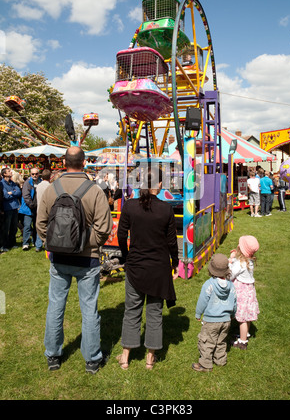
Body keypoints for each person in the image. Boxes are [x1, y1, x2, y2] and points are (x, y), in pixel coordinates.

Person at [36, 146, 113, 374]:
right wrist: (82, 243)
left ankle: (53, 355)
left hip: (59, 258)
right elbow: (103, 228)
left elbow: (41, 224)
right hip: (87, 260)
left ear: (64, 162)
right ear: (84, 162)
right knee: (89, 309)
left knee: (55, 306)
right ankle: (91, 359)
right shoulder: (95, 191)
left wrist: (55, 243)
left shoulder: (52, 189)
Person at [116, 168, 179, 370]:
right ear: (159, 185)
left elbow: (121, 234)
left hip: (136, 266)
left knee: (132, 311)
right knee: (154, 312)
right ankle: (150, 359)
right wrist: (175, 263)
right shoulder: (166, 209)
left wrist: (126, 257)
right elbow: (172, 242)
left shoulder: (130, 206)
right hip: (158, 268)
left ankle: (125, 357)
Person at [191, 254, 237, 373]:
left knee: (207, 342)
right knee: (221, 341)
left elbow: (202, 301)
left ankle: (206, 365)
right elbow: (235, 301)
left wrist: (198, 313)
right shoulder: (231, 285)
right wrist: (233, 314)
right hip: (226, 320)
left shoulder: (209, 284)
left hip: (211, 320)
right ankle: (220, 360)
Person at [228, 235, 260, 350]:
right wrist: (234, 258)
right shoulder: (249, 261)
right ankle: (245, 333)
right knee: (247, 317)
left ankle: (242, 342)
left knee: (242, 319)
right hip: (249, 292)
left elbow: (230, 275)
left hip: (241, 294)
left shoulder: (239, 263)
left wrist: (230, 261)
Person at [19, 167, 43, 251]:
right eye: (33, 174)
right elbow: (26, 195)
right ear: (30, 174)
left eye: (36, 174)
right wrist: (31, 205)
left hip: (38, 208)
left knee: (37, 226)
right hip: (28, 208)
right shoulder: (27, 183)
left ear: (39, 174)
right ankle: (25, 243)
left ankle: (35, 241)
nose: (34, 175)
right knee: (27, 226)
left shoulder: (41, 182)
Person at [1, 167, 22, 251]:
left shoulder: (12, 183)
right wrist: (13, 193)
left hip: (14, 207)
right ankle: (4, 245)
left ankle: (12, 243)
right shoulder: (1, 184)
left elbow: (19, 192)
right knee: (6, 227)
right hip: (7, 208)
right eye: (9, 171)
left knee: (14, 227)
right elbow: (5, 196)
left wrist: (11, 192)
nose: (11, 172)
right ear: (5, 174)